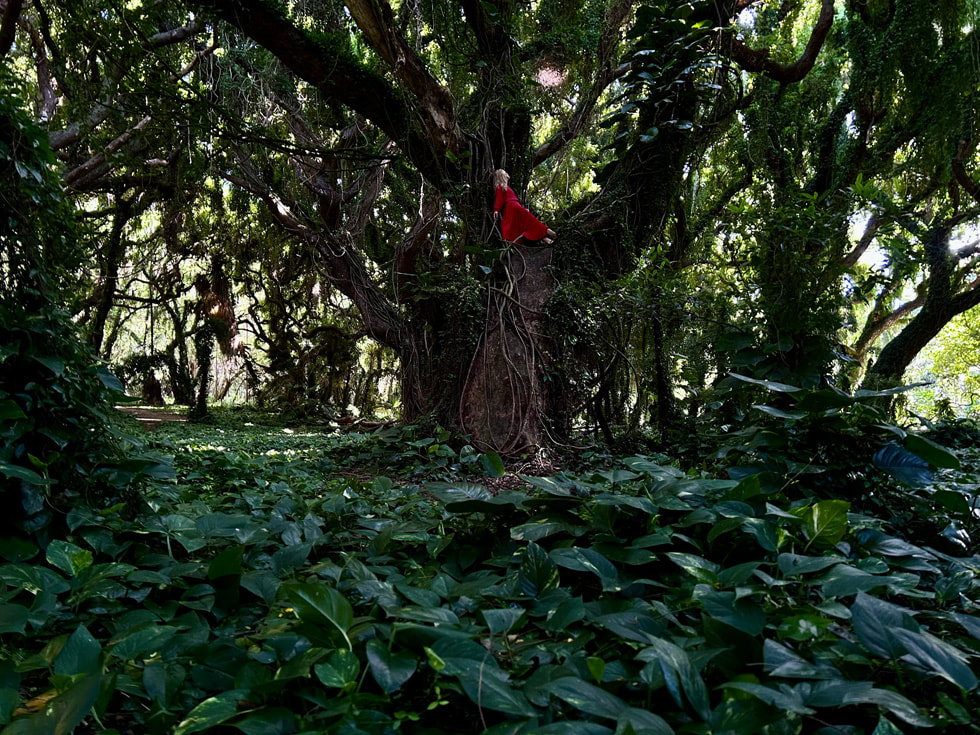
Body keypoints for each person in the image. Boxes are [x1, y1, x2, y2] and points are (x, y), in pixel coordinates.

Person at [493, 169, 556, 245]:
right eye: (505, 173)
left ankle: (546, 237)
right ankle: (548, 233)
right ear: (502, 176)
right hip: (512, 208)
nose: (507, 174)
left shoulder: (505, 186)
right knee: (529, 222)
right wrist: (496, 209)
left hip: (514, 208)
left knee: (526, 224)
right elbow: (499, 199)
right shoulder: (501, 186)